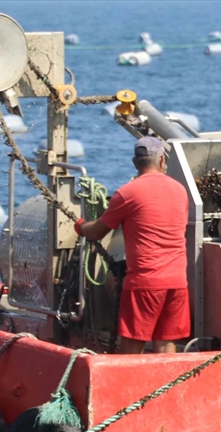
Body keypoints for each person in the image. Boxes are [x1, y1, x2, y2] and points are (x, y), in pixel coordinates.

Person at [76, 136, 190, 354]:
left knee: (132, 344)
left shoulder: (127, 193)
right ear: (162, 160)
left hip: (144, 282)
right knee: (166, 343)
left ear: (135, 163)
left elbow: (98, 231)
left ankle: (131, 389)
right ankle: (165, 387)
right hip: (177, 281)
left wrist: (80, 226)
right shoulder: (180, 191)